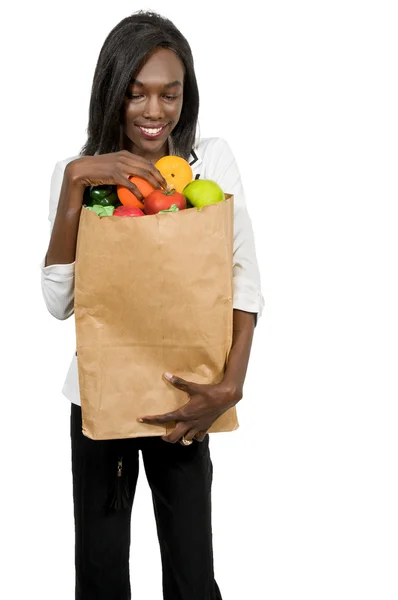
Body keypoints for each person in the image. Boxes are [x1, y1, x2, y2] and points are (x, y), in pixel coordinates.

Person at [41, 10, 264, 600]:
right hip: (100, 397)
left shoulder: (208, 162)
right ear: (112, 93)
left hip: (187, 395)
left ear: (186, 96)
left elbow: (242, 279)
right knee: (101, 571)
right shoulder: (79, 173)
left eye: (170, 93)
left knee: (193, 575)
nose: (154, 111)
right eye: (136, 94)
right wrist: (75, 184)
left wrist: (231, 383)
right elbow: (59, 303)